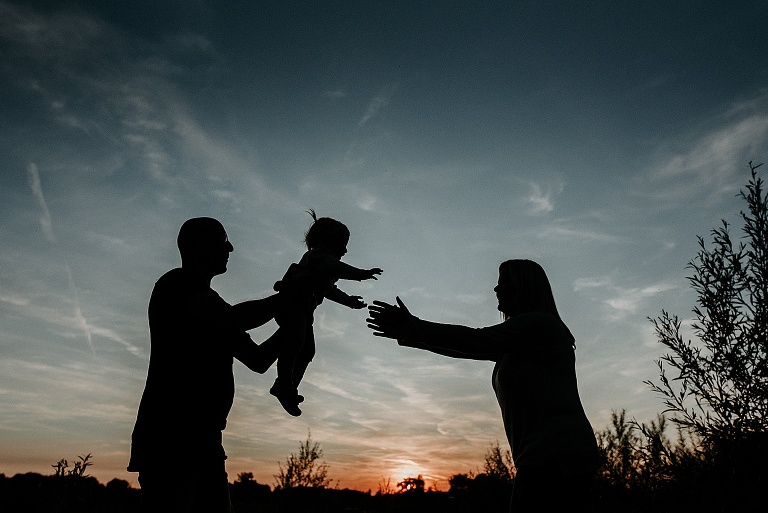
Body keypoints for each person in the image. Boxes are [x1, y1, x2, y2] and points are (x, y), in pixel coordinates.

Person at [366, 259, 600, 512]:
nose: (496, 289)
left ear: (524, 287)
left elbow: (474, 340)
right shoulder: (520, 339)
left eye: (504, 282)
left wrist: (414, 325)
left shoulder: (538, 325)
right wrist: (412, 334)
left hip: (557, 458)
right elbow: (468, 349)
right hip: (545, 458)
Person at [128, 217, 303, 513]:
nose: (231, 247)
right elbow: (237, 319)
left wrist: (293, 321)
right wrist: (289, 299)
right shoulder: (176, 285)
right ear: (200, 245)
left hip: (204, 441)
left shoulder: (213, 306)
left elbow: (258, 360)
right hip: (171, 438)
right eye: (223, 241)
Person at [269, 210, 382, 416]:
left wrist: (349, 301)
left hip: (304, 311)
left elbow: (330, 290)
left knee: (307, 350)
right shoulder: (317, 256)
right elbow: (337, 268)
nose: (345, 250)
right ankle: (284, 384)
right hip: (292, 306)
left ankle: (287, 386)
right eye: (342, 244)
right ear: (327, 241)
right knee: (295, 343)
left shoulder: (324, 266)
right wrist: (362, 274)